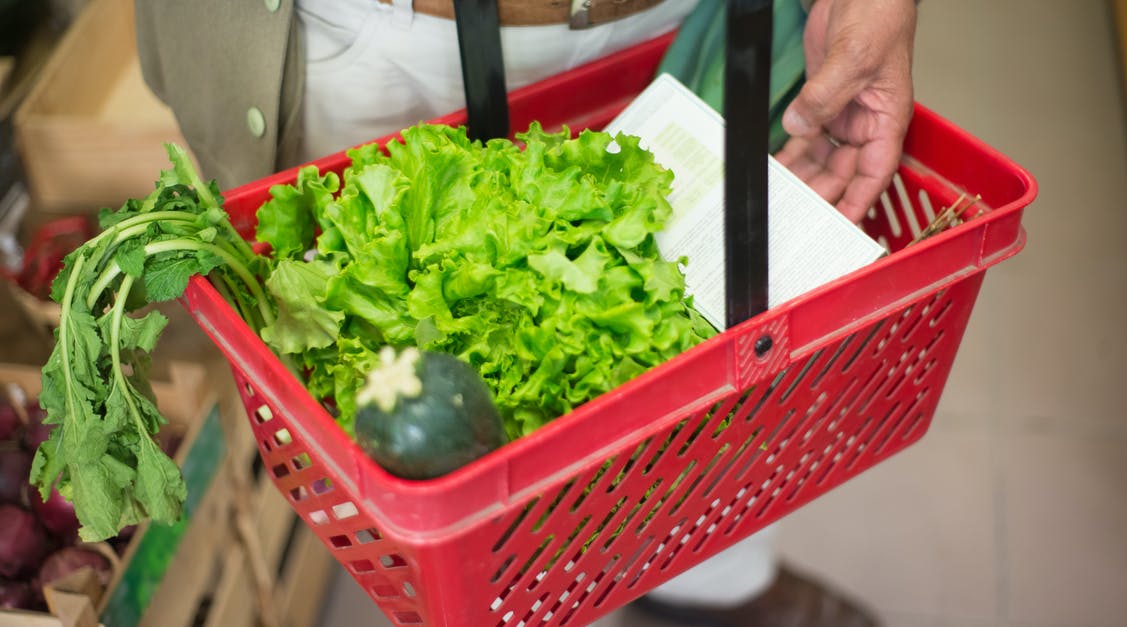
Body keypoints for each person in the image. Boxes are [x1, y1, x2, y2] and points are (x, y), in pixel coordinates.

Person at [134, 1, 917, 625]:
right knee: (429, 439)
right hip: (377, 40)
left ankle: (709, 575)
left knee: (710, 344)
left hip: (675, 25)